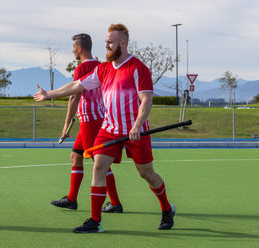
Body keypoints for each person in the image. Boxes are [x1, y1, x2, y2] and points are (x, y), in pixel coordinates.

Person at [34, 24, 175, 233]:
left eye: (111, 42)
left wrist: (137, 125)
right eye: (106, 42)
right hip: (109, 128)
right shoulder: (103, 69)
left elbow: (146, 101)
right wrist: (49, 94)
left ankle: (166, 208)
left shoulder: (138, 68)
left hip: (135, 131)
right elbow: (76, 86)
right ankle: (95, 221)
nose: (107, 46)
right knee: (99, 166)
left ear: (123, 44)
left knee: (146, 173)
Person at [50, 33, 123, 214]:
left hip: (91, 120)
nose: (73, 51)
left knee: (101, 163)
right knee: (76, 156)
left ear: (79, 49)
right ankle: (72, 199)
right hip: (90, 120)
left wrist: (66, 124)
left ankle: (115, 203)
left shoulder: (82, 68)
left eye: (74, 48)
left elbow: (74, 96)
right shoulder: (100, 65)